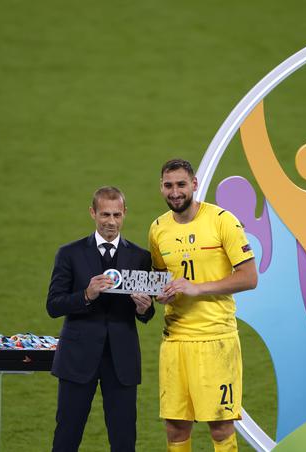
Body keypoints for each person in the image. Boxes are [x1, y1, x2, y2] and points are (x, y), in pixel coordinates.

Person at [149, 159, 258, 452]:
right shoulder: (158, 229)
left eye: (181, 185)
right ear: (161, 187)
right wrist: (161, 293)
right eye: (169, 185)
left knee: (221, 426)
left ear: (194, 185)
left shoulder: (222, 220)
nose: (175, 192)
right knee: (175, 426)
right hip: (174, 341)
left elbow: (249, 277)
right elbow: (161, 278)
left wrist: (197, 288)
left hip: (216, 339)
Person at [46, 186, 155, 452]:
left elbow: (148, 311)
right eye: (105, 214)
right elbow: (53, 305)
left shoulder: (141, 257)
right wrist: (86, 294)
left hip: (122, 359)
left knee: (124, 438)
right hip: (77, 358)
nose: (111, 222)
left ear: (125, 213)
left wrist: (144, 309)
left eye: (117, 215)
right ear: (92, 213)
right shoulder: (69, 253)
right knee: (67, 435)